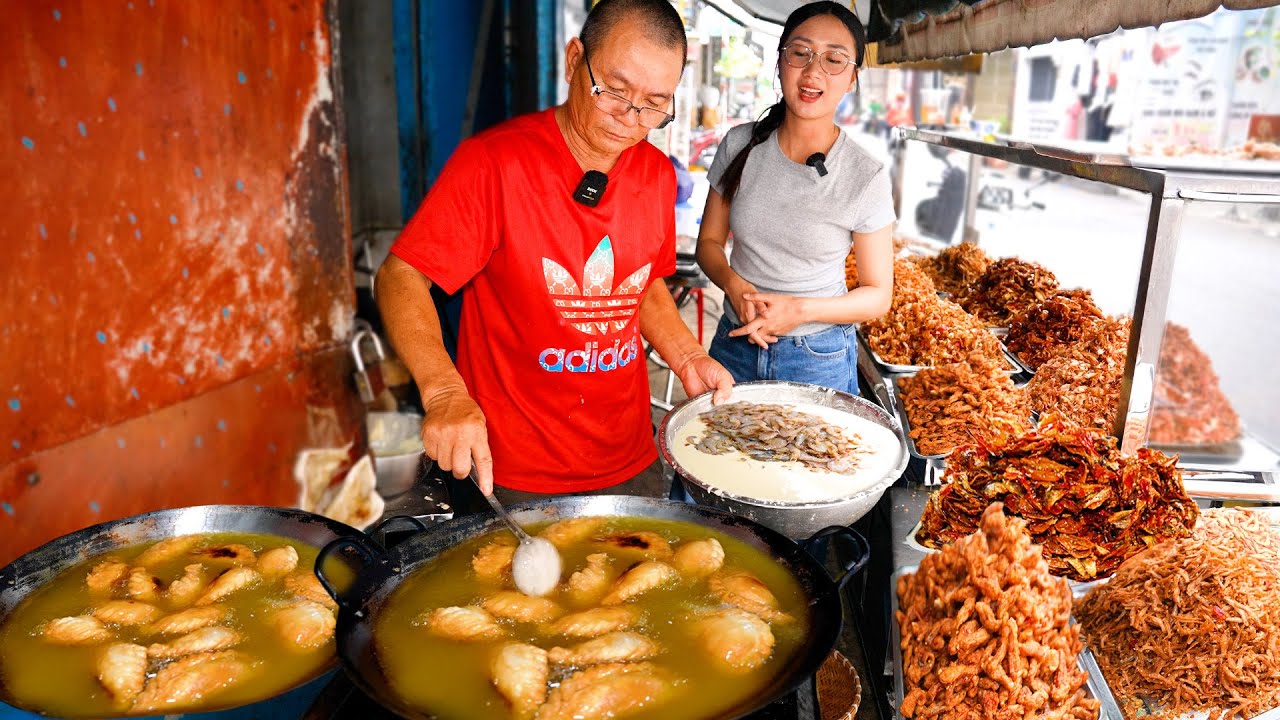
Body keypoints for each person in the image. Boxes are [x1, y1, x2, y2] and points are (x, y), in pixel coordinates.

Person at [376, 0, 733, 503]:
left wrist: (688, 357)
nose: (629, 119)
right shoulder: (494, 164)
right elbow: (401, 276)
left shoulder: (655, 175)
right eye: (613, 90)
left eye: (653, 104)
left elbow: (642, 283)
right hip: (509, 471)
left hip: (629, 459)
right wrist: (444, 393)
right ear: (573, 61)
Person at [695, 1, 895, 396]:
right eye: (800, 53)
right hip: (735, 339)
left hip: (817, 356)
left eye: (834, 59)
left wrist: (798, 311)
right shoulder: (739, 145)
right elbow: (709, 244)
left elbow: (877, 295)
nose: (813, 71)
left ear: (852, 77)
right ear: (780, 61)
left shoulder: (864, 175)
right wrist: (737, 289)